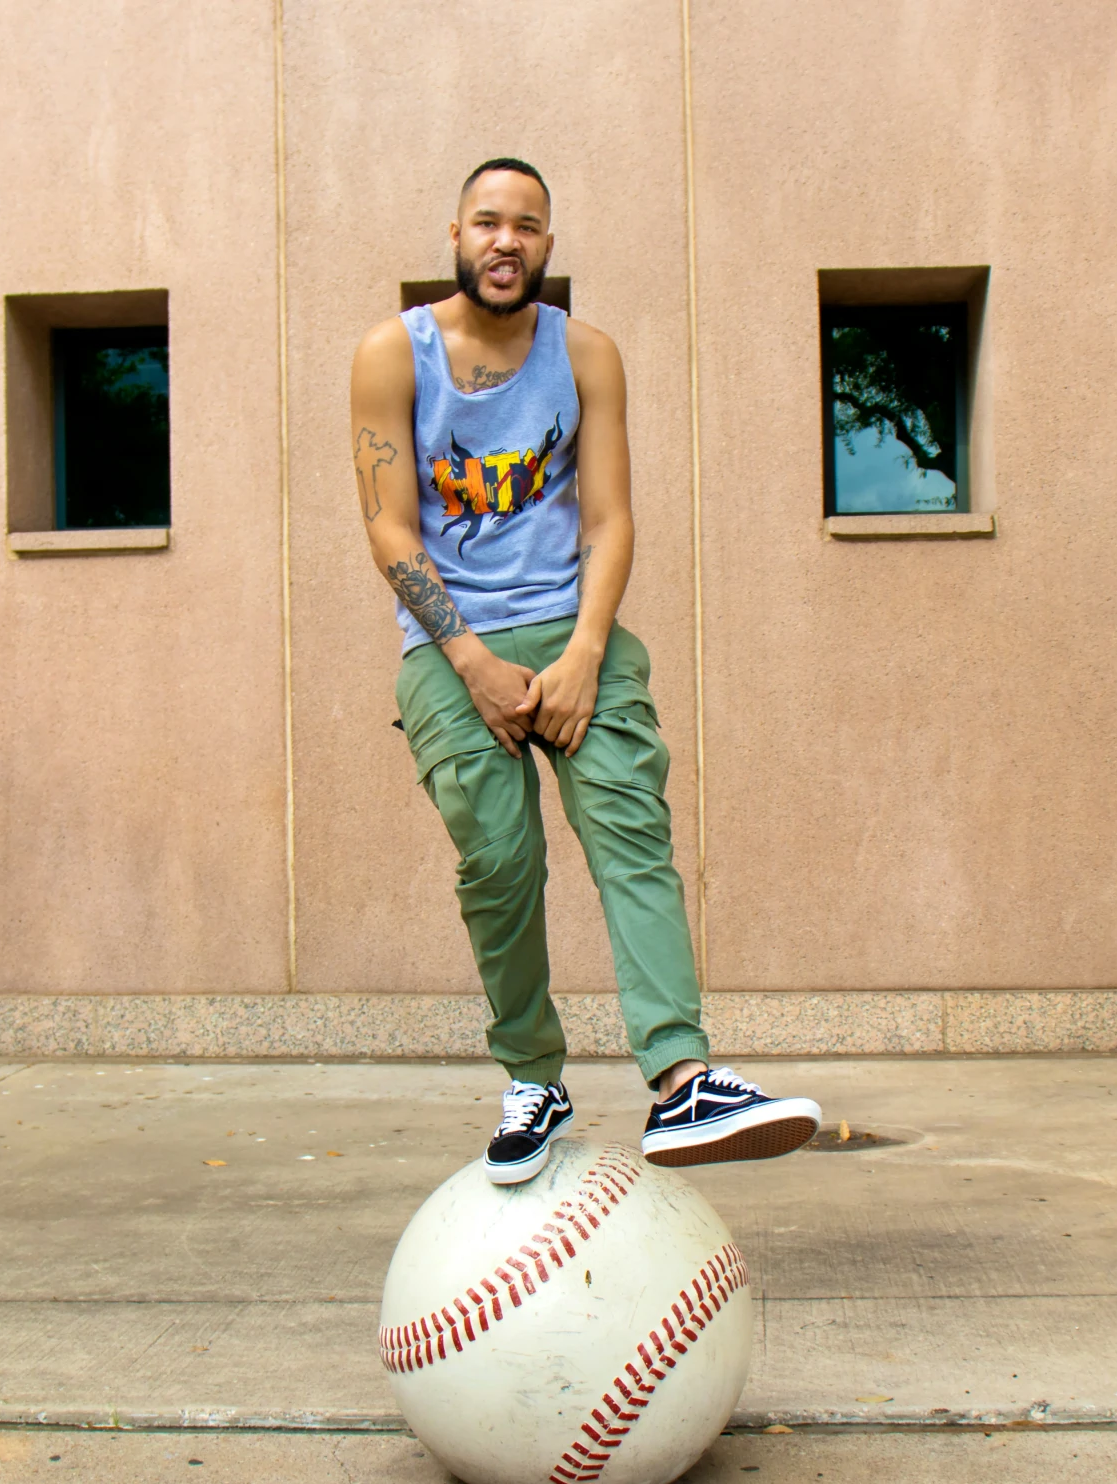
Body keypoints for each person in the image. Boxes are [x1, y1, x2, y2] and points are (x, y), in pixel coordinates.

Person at [348, 157, 822, 1185]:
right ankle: (534, 1076)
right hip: (450, 646)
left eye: (525, 226)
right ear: (456, 235)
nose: (504, 241)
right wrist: (468, 660)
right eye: (486, 222)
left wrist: (583, 656)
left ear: (547, 246)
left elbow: (609, 521)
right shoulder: (395, 352)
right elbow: (389, 529)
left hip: (572, 629)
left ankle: (682, 1078)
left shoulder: (588, 355)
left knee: (629, 832)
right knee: (499, 860)